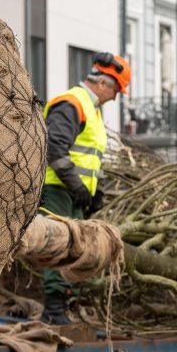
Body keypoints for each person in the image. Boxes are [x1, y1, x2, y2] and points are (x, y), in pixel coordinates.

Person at [40, 52, 131, 325]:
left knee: (77, 249)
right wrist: (77, 186)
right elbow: (54, 149)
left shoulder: (92, 110)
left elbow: (92, 158)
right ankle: (54, 310)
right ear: (103, 82)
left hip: (73, 191)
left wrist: (96, 191)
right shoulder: (72, 103)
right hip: (58, 189)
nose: (115, 97)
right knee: (59, 245)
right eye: (116, 90)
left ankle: (66, 303)